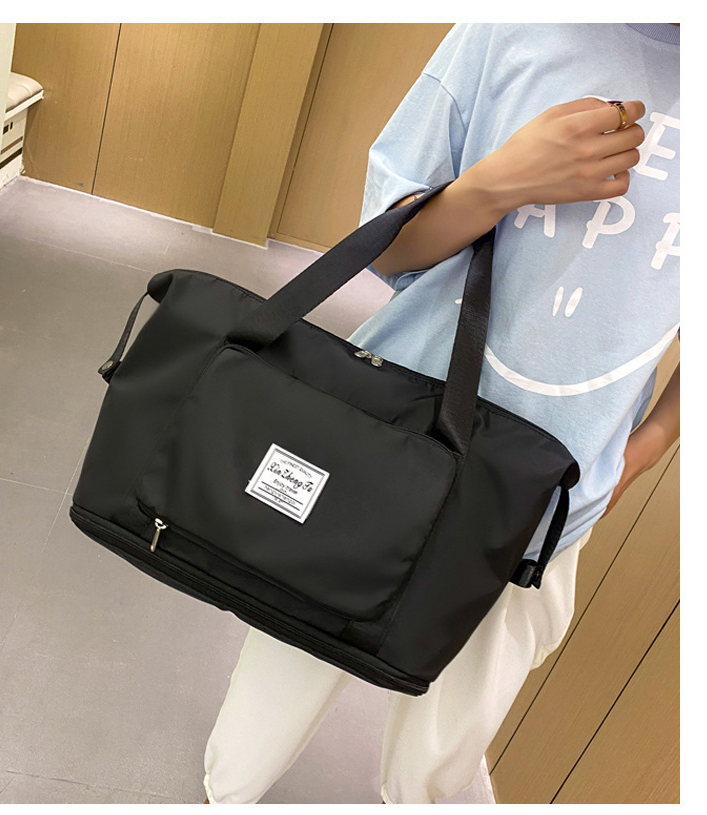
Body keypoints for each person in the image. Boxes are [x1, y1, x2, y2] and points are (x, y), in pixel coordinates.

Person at [201, 23, 680, 804]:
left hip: (549, 500)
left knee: (443, 753)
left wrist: (642, 450)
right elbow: (385, 248)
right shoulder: (512, 27)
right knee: (278, 680)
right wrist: (500, 182)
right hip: (386, 433)